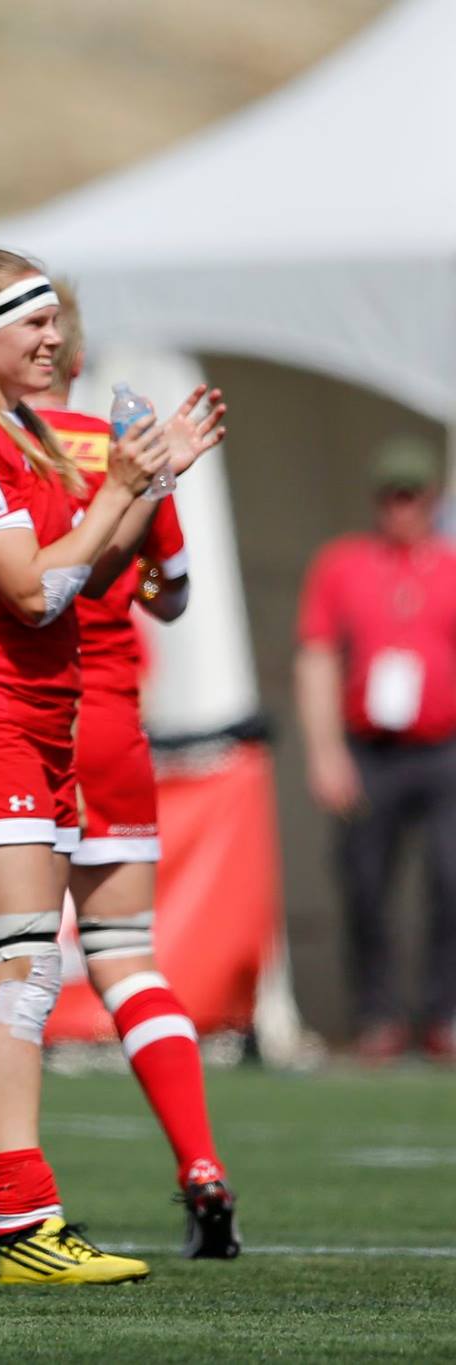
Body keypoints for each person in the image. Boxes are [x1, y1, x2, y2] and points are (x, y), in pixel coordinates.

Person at [0, 248, 209, 1284]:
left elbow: (86, 569)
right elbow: (31, 591)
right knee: (23, 976)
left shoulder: (9, 429)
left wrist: (137, 484)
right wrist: (119, 485)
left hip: (31, 720)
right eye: (31, 325)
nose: (52, 341)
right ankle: (24, 1223)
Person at [34, 284, 239, 1257]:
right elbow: (174, 593)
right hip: (112, 724)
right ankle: (199, 1161)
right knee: (123, 957)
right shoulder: (125, 449)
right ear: (76, 362)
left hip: (15, 723)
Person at [297, 435, 456, 1062]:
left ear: (432, 500)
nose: (401, 510)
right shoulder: (343, 565)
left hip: (443, 748)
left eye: (412, 497)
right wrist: (324, 752)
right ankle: (378, 1015)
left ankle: (444, 1011)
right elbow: (315, 658)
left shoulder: (449, 565)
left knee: (452, 878)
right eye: (391, 497)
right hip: (369, 749)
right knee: (363, 880)